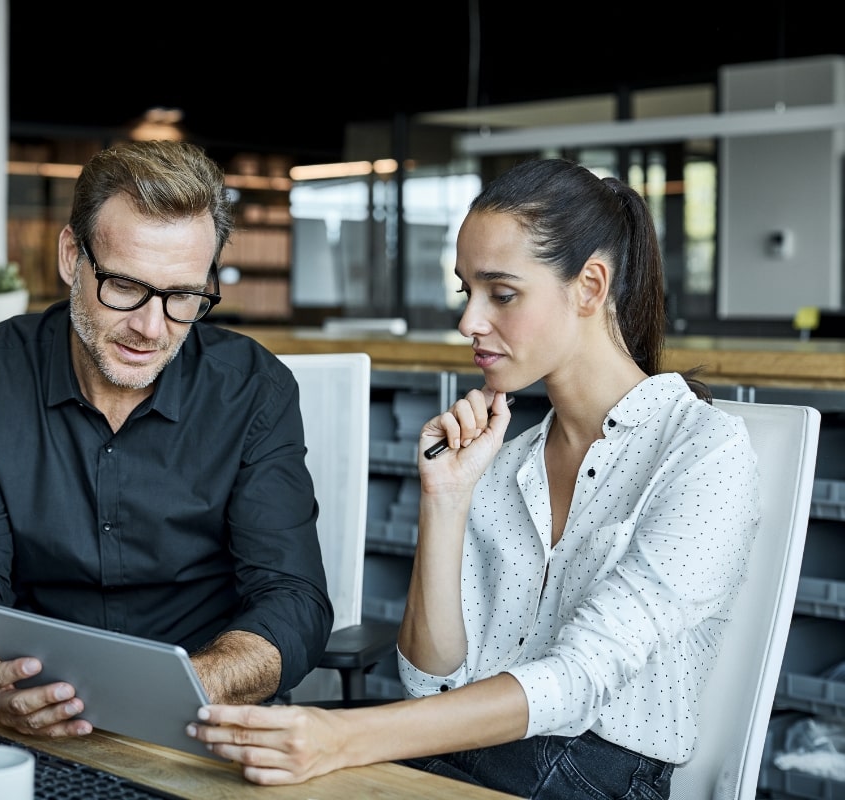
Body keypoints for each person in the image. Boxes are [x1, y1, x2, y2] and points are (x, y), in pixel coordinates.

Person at [187, 158, 760, 800]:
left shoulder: (704, 452)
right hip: (471, 753)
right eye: (467, 292)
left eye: (502, 294)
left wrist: (344, 737)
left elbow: (578, 682)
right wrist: (446, 499)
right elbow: (429, 683)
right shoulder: (506, 461)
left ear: (590, 287)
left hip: (593, 776)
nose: (468, 322)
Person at [0, 139, 334, 738]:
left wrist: (186, 688)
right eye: (123, 286)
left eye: (183, 296)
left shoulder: (254, 390)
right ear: (72, 257)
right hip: (31, 712)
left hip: (204, 715)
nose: (150, 328)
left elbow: (293, 599)